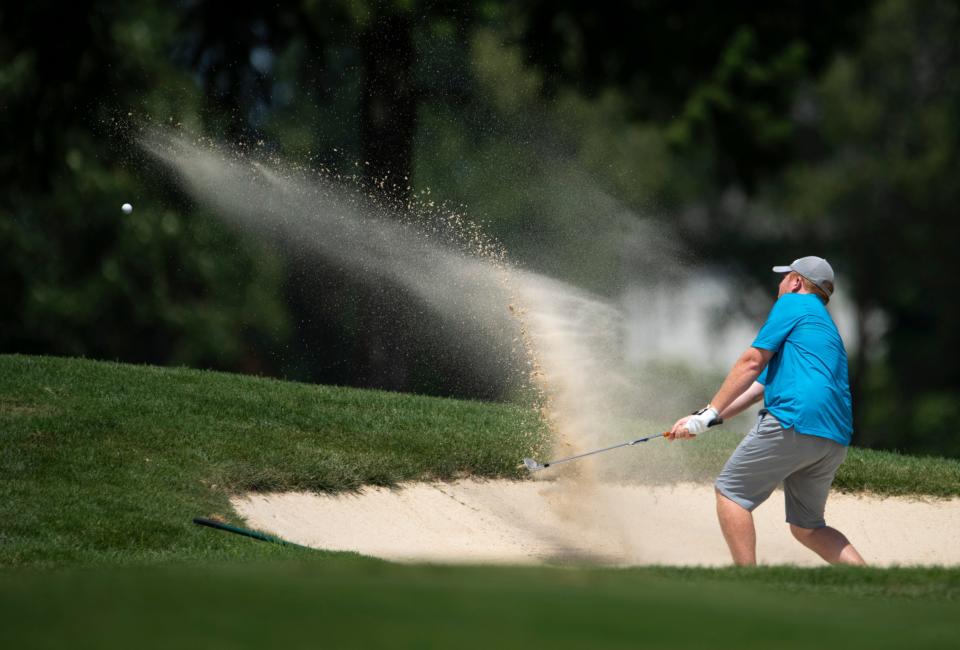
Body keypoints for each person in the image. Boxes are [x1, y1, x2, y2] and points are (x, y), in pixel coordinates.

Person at [669, 256, 866, 566]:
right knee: (808, 527)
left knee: (731, 494)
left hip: (793, 419)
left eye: (785, 277)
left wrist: (709, 412)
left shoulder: (793, 305)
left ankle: (751, 585)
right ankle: (869, 580)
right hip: (833, 437)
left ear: (797, 283)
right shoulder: (824, 326)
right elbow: (756, 387)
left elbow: (751, 362)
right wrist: (706, 418)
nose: (780, 284)